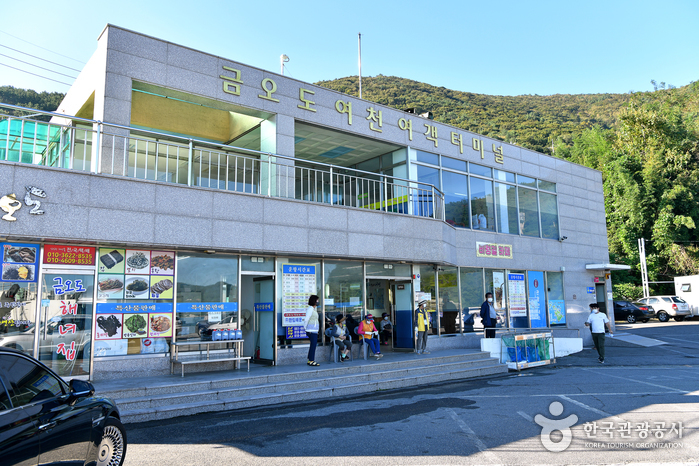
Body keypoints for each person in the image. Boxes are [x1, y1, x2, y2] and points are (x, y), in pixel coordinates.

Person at [304, 295, 320, 366]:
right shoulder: (310, 309)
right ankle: (311, 360)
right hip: (311, 330)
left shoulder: (313, 309)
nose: (318, 302)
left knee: (313, 345)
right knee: (313, 346)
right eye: (317, 300)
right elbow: (306, 319)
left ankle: (310, 359)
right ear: (314, 301)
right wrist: (305, 328)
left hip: (314, 330)